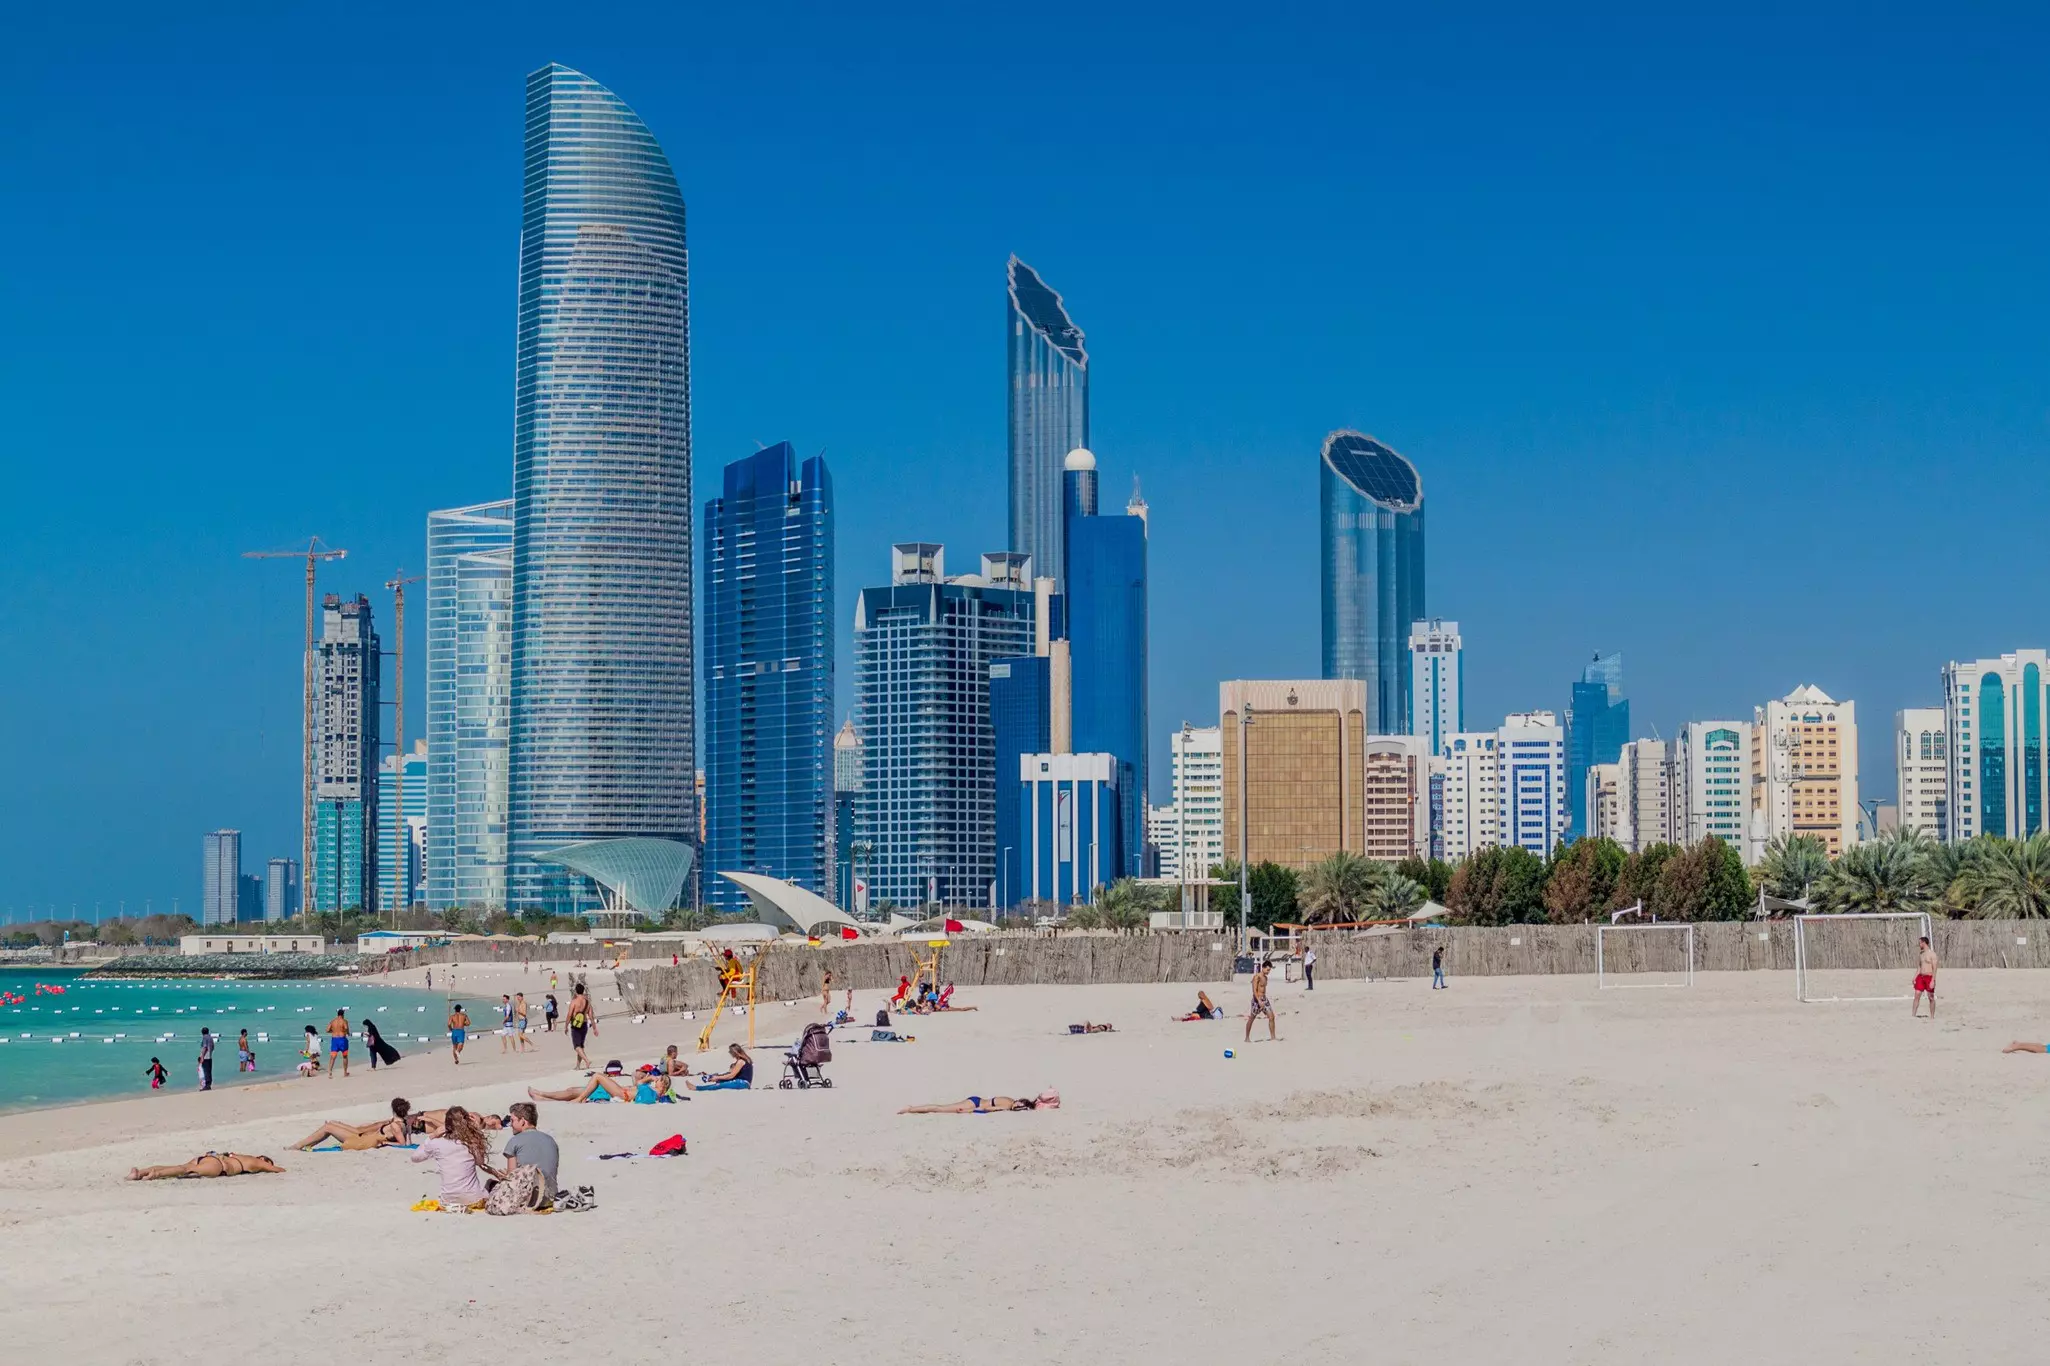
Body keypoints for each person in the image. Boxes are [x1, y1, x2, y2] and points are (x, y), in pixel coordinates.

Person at [410, 1105, 493, 1207]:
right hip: (473, 1199)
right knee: (491, 1183)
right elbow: (480, 1162)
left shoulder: (436, 1143)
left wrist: (432, 1136)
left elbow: (415, 1158)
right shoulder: (471, 1142)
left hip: (449, 1201)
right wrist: (476, 1134)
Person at [494, 1102, 558, 1210]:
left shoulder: (515, 1141)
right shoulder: (550, 1140)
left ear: (523, 1121)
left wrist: (503, 1176)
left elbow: (511, 1177)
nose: (510, 1124)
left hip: (529, 1199)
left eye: (513, 1120)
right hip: (550, 1197)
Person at [292, 1098, 415, 1151]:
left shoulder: (395, 1125)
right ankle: (306, 1145)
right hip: (365, 1137)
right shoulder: (403, 1122)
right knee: (331, 1124)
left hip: (363, 1141)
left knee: (328, 1127)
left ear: (393, 1109)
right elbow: (407, 1141)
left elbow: (403, 1144)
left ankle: (298, 1146)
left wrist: (387, 1142)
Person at [528, 1061, 676, 1105]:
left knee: (598, 1076)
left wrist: (650, 1079)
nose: (657, 1082)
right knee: (573, 1089)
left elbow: (638, 1086)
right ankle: (542, 1096)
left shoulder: (654, 1093)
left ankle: (580, 1099)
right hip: (620, 1092)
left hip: (621, 1093)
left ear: (663, 1086)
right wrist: (650, 1078)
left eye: (660, 1081)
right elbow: (638, 1081)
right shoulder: (651, 1090)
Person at [127, 1153, 285, 1181]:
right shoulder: (255, 1162)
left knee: (182, 1166)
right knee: (185, 1170)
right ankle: (153, 1174)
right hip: (218, 1165)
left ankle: (140, 1172)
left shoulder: (245, 1157)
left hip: (212, 1157)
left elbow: (277, 1169)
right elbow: (277, 1169)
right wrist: (271, 1166)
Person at [899, 1090, 1060, 1115]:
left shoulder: (1011, 1099)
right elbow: (988, 1110)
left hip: (976, 1100)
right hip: (974, 1105)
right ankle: (910, 1109)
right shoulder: (1007, 1106)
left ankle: (911, 1108)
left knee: (940, 1107)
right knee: (939, 1109)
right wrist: (968, 1111)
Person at [685, 1043, 754, 1091]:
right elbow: (731, 1074)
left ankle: (696, 1088)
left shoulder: (741, 1061)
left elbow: (731, 1076)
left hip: (742, 1083)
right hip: (742, 1082)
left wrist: (717, 1077)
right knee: (720, 1081)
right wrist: (717, 1077)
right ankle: (699, 1087)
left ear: (734, 1052)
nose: (729, 1053)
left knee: (719, 1085)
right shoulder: (745, 1060)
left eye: (730, 1051)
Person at [1244, 960, 1278, 1042]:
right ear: (1263, 968)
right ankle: (1247, 1038)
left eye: (1269, 970)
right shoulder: (1257, 977)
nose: (1268, 971)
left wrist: (1263, 999)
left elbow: (1263, 989)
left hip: (1264, 999)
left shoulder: (1265, 978)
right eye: (1267, 970)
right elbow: (1254, 990)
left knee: (1271, 1017)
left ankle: (1273, 1037)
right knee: (1252, 1018)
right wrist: (1258, 1000)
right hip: (1257, 1000)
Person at [567, 984, 593, 1068]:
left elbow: (569, 1015)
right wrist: (594, 1027)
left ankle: (587, 1061)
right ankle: (578, 1066)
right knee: (581, 1046)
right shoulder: (587, 1001)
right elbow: (590, 1015)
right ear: (583, 991)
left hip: (576, 1025)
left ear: (576, 991)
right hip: (584, 1024)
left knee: (577, 1046)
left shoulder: (574, 1002)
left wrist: (566, 1025)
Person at [1913, 936, 1938, 1019]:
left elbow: (1935, 968)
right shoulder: (1921, 954)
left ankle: (1932, 1016)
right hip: (1921, 976)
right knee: (1917, 995)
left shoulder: (1932, 954)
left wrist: (1933, 980)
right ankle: (1913, 1015)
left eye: (1920, 943)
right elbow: (1919, 966)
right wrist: (1915, 977)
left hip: (1929, 977)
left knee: (1931, 997)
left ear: (1923, 943)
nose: (1919, 945)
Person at [326, 1008, 351, 1078]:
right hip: (342, 1040)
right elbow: (346, 1028)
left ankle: (330, 1073)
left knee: (333, 1057)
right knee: (345, 1056)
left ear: (337, 1014)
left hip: (334, 1040)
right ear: (343, 1014)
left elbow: (327, 1030)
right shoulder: (344, 1021)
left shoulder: (332, 1021)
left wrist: (333, 1031)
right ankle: (345, 1072)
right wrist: (347, 1033)